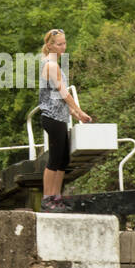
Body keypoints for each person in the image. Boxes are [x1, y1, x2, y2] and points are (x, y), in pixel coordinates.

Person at [38, 29, 92, 211]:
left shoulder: (56, 64)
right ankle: (47, 198)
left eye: (64, 43)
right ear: (50, 46)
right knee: (55, 158)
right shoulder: (50, 65)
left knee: (63, 159)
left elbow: (60, 96)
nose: (63, 47)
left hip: (60, 116)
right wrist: (79, 109)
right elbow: (63, 92)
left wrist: (74, 113)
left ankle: (57, 196)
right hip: (51, 117)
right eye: (59, 44)